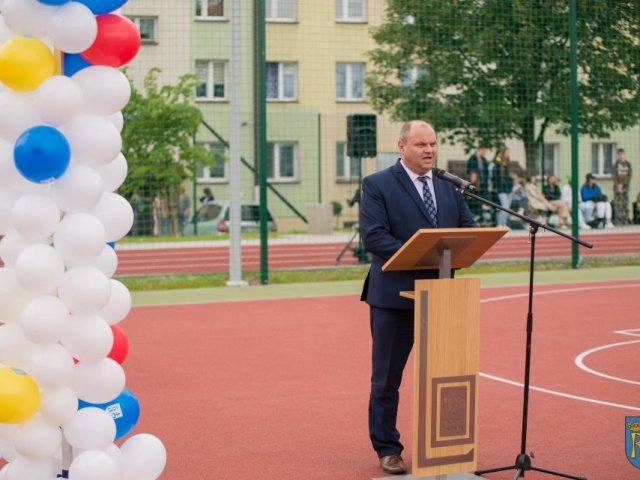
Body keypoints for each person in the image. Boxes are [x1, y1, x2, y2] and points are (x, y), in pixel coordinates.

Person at [359, 120, 475, 475]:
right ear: (402, 146)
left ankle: (445, 444)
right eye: (421, 144)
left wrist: (446, 253)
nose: (429, 150)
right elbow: (375, 237)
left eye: (433, 144)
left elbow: (468, 231)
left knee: (445, 374)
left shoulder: (448, 184)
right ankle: (388, 448)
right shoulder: (377, 184)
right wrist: (425, 255)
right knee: (386, 379)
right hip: (395, 298)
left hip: (443, 297)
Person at [488, 147, 513, 226]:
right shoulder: (496, 163)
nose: (508, 154)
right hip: (501, 189)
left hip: (508, 189)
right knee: (504, 207)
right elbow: (494, 177)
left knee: (507, 208)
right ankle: (499, 224)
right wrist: (500, 183)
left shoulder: (507, 163)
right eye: (507, 152)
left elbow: (509, 176)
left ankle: (504, 224)